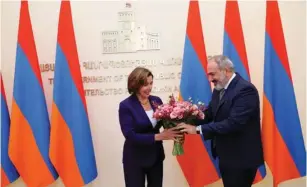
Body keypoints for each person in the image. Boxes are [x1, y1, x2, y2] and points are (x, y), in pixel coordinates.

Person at [178, 55, 264, 187]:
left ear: (227, 70)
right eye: (208, 74)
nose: (210, 79)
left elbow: (234, 123)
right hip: (226, 155)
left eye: (213, 74)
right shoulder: (219, 88)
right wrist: (184, 118)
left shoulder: (245, 90)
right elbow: (210, 113)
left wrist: (196, 130)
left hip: (241, 157)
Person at [118, 67, 182, 187]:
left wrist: (180, 119)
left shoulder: (156, 100)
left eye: (151, 83)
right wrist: (159, 136)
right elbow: (130, 135)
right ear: (135, 84)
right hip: (135, 159)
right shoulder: (126, 105)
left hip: (156, 157)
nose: (149, 88)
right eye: (145, 84)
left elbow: (165, 121)